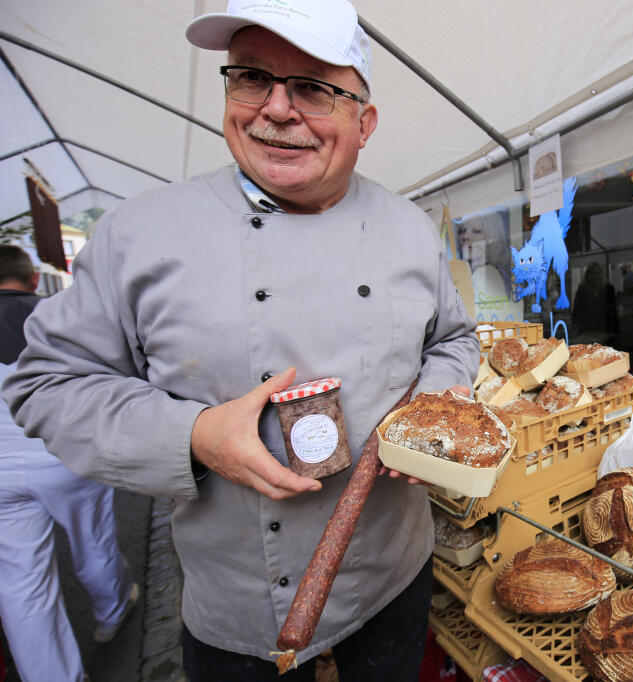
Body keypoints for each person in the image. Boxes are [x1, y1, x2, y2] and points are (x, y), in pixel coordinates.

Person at [2, 1, 479, 680]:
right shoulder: (141, 234)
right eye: (252, 77)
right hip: (241, 609)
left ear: (364, 122)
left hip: (393, 572)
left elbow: (455, 340)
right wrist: (191, 436)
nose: (276, 109)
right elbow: (45, 385)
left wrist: (435, 402)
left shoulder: (407, 227)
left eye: (313, 86)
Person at [0, 244, 137, 682]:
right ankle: (111, 612)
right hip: (59, 449)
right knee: (92, 537)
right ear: (33, 278)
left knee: (21, 585)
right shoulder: (55, 312)